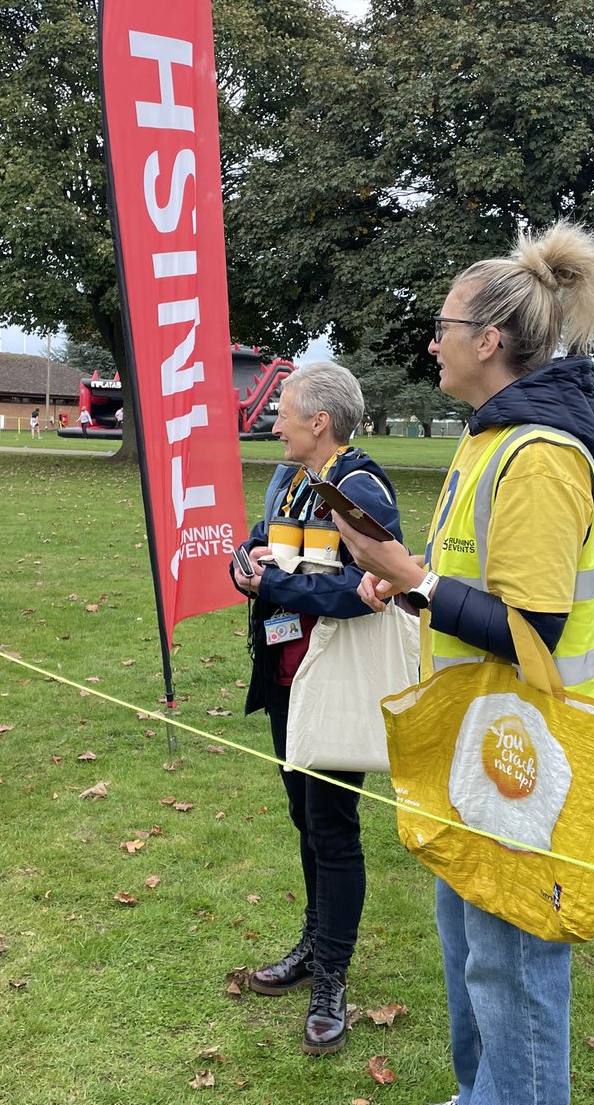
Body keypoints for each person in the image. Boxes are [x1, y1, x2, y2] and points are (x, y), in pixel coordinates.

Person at [334, 220, 594, 1105]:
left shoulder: (538, 456)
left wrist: (413, 579)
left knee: (514, 974)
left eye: (444, 327)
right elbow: (470, 577)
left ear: (488, 341)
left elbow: (532, 627)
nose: (433, 343)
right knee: (473, 962)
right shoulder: (487, 439)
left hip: (539, 761)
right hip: (483, 750)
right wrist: (407, 582)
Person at [229, 362, 404, 1057]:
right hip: (285, 679)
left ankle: (332, 976)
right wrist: (244, 567)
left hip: (331, 682)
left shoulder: (359, 487)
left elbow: (376, 586)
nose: (274, 423)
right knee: (305, 818)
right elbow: (257, 544)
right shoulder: (289, 477)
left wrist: (274, 584)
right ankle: (313, 944)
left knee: (332, 827)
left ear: (319, 422)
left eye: (284, 411)